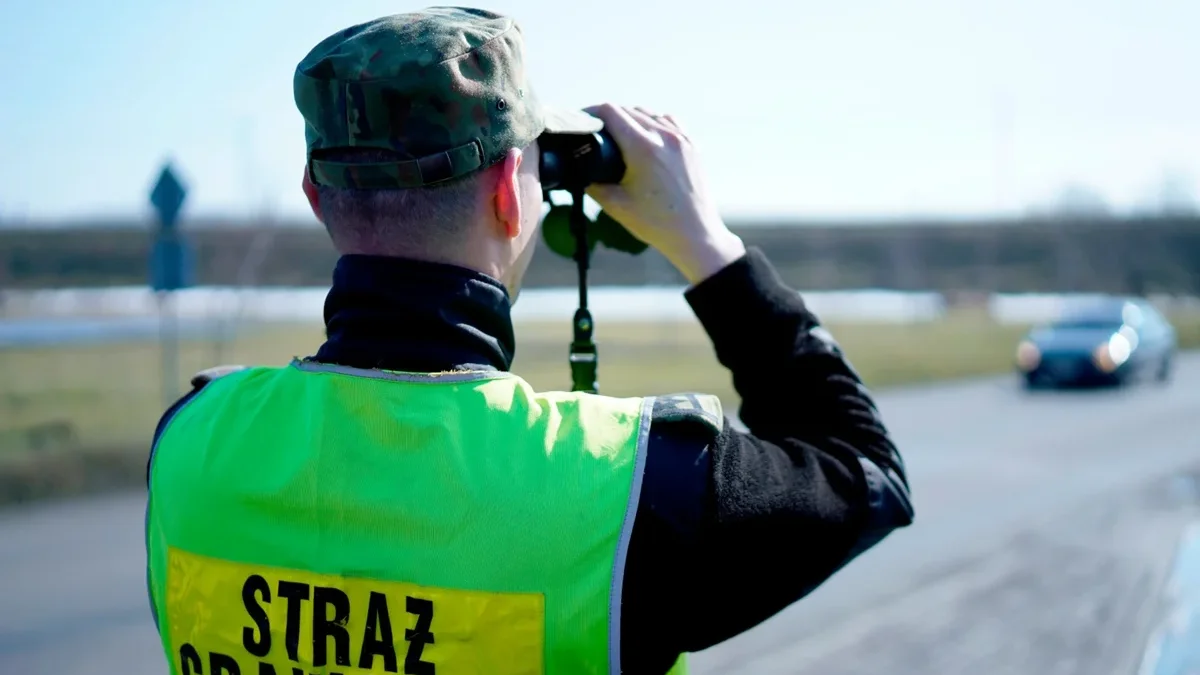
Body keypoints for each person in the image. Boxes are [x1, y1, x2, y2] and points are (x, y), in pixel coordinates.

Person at [144, 7, 913, 675]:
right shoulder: (631, 490)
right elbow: (866, 470)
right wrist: (705, 242)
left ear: (316, 197)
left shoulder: (190, 445)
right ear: (513, 192)